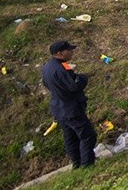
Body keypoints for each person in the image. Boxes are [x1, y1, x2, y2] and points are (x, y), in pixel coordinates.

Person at [41, 40, 97, 169]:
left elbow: (47, 83)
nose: (72, 52)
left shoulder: (48, 67)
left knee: (70, 137)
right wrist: (83, 78)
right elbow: (74, 86)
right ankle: (87, 164)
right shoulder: (61, 68)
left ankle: (76, 163)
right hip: (70, 108)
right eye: (69, 50)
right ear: (60, 53)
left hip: (58, 109)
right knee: (87, 135)